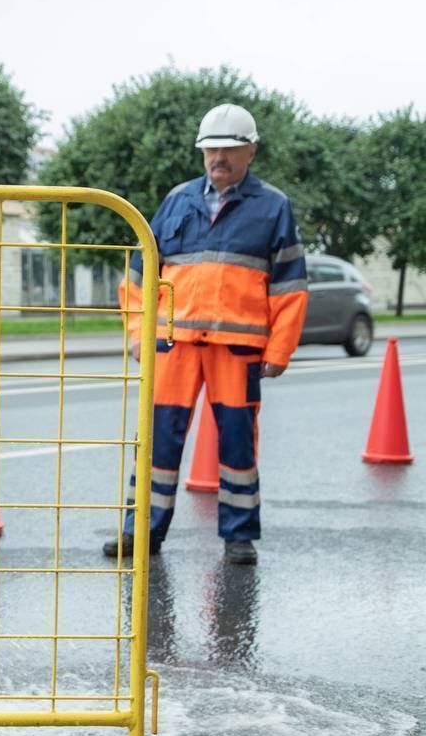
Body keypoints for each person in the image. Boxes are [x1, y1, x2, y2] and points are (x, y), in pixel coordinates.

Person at [106, 104, 308, 566]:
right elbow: (139, 275)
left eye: (230, 149)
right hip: (172, 346)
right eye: (211, 148)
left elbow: (291, 285)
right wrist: (138, 333)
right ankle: (142, 532)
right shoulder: (177, 200)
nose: (219, 156)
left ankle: (239, 536)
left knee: (238, 443)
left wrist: (280, 348)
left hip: (236, 350)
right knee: (156, 442)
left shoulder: (273, 207)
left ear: (250, 152)